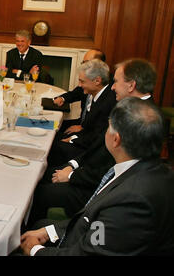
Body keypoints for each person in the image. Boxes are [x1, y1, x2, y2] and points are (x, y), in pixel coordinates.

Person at [19, 97, 174, 256]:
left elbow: (91, 250)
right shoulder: (149, 169)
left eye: (109, 127)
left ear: (116, 139)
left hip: (83, 245)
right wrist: (49, 231)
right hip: (86, 232)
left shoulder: (133, 201)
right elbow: (93, 221)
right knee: (39, 225)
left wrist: (35, 250)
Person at [27, 59, 157, 228]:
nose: (112, 87)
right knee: (42, 173)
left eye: (116, 81)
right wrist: (73, 166)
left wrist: (72, 175)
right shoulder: (131, 107)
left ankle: (32, 235)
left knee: (39, 191)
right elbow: (99, 146)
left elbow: (109, 167)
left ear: (131, 85)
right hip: (90, 170)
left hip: (97, 189)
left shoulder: (140, 118)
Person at [46, 59, 117, 167]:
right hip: (86, 137)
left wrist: (74, 139)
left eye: (82, 82)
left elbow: (98, 136)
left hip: (90, 151)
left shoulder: (108, 102)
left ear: (97, 81)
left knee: (51, 146)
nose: (79, 85)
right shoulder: (99, 93)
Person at [53, 49, 106, 137]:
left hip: (88, 132)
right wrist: (62, 98)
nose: (84, 66)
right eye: (83, 63)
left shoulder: (105, 91)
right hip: (81, 122)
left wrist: (82, 128)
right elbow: (76, 93)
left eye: (87, 63)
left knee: (54, 139)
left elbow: (100, 127)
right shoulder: (88, 81)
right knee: (52, 125)